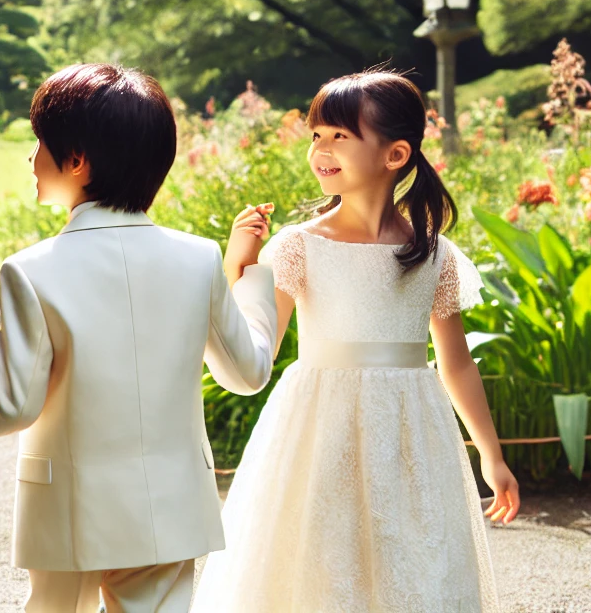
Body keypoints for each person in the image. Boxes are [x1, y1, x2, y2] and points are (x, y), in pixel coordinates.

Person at [0, 63, 279, 613]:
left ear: (76, 160)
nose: (30, 157)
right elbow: (248, 372)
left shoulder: (31, 270)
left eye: (41, 143)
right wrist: (250, 275)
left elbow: (14, 404)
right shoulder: (199, 259)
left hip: (68, 505)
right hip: (170, 504)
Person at [194, 69, 522, 611]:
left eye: (340, 136)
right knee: (319, 562)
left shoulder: (433, 254)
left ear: (395, 155)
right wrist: (239, 265)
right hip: (318, 427)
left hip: (413, 431)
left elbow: (456, 364)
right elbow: (256, 344)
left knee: (415, 564)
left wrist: (491, 454)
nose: (320, 149)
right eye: (317, 135)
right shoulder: (298, 245)